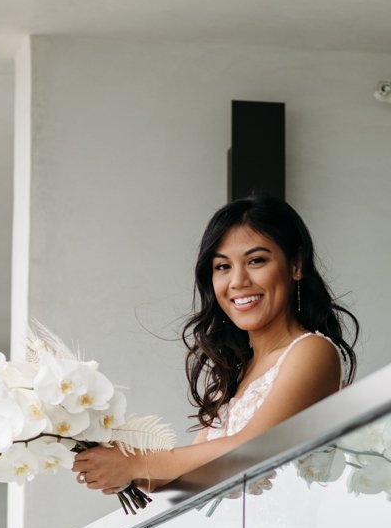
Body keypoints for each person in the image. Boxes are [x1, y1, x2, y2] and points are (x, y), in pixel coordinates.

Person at [73, 195, 358, 495]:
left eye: (256, 260)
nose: (237, 281)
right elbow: (193, 479)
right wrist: (105, 454)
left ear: (296, 265)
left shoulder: (311, 350)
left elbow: (251, 449)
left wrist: (136, 464)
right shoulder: (236, 374)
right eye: (222, 266)